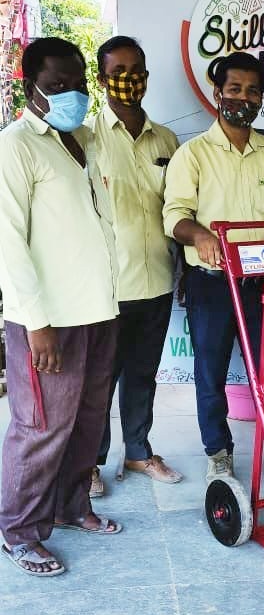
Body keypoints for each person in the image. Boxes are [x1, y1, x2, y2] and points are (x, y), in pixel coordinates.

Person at [0, 36, 121, 578]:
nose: (71, 94)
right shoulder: (16, 146)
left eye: (77, 84)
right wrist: (36, 324)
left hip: (99, 310)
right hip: (49, 321)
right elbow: (8, 242)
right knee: (41, 426)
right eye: (57, 86)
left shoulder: (84, 141)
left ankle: (73, 506)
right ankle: (19, 530)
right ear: (31, 88)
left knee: (88, 420)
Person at [163, 51, 264, 490]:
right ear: (217, 94)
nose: (243, 98)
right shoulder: (194, 155)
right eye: (235, 89)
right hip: (211, 285)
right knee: (210, 372)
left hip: (262, 284)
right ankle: (218, 453)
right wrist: (201, 237)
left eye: (252, 91)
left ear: (262, 97)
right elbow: (174, 215)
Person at [90, 35, 182, 496]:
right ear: (103, 76)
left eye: (137, 69)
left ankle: (139, 451)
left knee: (144, 373)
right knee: (100, 379)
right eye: (119, 70)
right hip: (108, 284)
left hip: (159, 279)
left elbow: (179, 207)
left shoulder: (166, 139)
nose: (130, 79)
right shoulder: (85, 139)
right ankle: (90, 461)